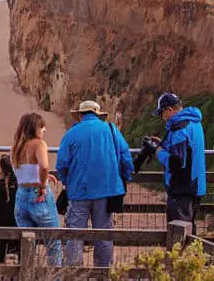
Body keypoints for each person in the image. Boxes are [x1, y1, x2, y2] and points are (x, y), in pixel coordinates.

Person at [56, 100, 134, 267]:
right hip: (107, 191)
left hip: (79, 192)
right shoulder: (112, 130)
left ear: (80, 115)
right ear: (98, 115)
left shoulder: (71, 134)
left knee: (75, 235)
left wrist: (67, 182)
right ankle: (103, 272)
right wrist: (125, 177)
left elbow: (61, 164)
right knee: (104, 234)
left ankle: (74, 274)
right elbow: (126, 157)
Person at [11, 112, 61, 267]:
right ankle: (55, 278)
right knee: (53, 244)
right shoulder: (39, 144)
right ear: (35, 128)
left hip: (21, 196)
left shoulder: (16, 147)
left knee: (27, 246)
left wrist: (44, 177)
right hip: (37, 196)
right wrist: (42, 185)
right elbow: (44, 166)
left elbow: (26, 172)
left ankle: (28, 276)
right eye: (42, 126)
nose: (44, 130)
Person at [151, 93, 206, 232]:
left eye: (162, 113)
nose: (162, 118)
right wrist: (163, 144)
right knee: (189, 233)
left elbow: (177, 162)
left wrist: (158, 151)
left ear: (169, 110)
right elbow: (187, 151)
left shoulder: (179, 129)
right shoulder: (194, 122)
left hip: (182, 189)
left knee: (178, 236)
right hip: (195, 185)